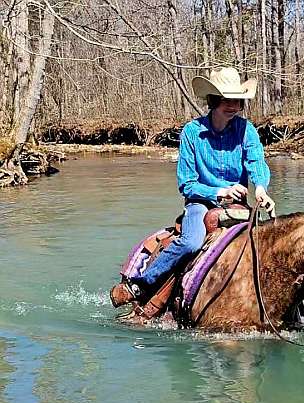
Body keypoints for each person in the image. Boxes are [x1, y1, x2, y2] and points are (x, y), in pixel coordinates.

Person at [110, 67, 275, 307]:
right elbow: (187, 184)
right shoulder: (192, 132)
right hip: (201, 202)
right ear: (214, 100)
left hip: (237, 206)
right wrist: (219, 192)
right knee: (191, 242)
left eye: (237, 101)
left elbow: (256, 161)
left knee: (268, 243)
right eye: (226, 100)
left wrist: (260, 188)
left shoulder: (246, 130)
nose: (233, 106)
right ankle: (142, 284)